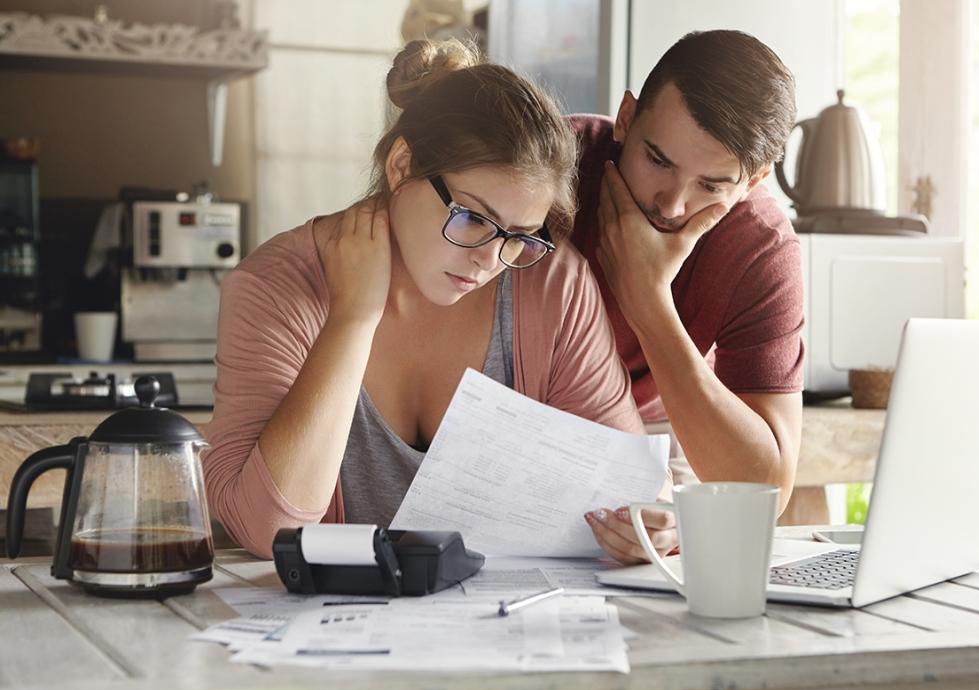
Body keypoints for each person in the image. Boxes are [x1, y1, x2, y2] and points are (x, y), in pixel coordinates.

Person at [201, 39, 675, 561]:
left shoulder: (552, 282)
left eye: (518, 235)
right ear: (402, 166)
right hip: (331, 635)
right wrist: (353, 318)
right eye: (472, 218)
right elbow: (267, 528)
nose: (489, 260)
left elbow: (630, 488)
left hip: (506, 625)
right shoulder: (275, 287)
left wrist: (653, 523)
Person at [572, 30, 805, 561]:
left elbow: (764, 492)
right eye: (658, 160)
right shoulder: (549, 164)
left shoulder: (761, 247)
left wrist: (649, 303)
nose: (673, 205)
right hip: (513, 402)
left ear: (754, 180)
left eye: (712, 185)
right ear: (626, 118)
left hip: (660, 421)